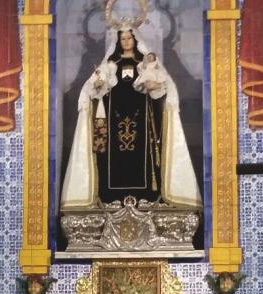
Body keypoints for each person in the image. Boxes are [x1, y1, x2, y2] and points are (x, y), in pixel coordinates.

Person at [61, 29, 201, 210]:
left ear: (135, 40)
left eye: (129, 38)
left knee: (142, 154)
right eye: (123, 39)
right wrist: (98, 84)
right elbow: (95, 87)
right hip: (114, 118)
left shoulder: (144, 64)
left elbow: (162, 87)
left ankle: (146, 197)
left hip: (141, 117)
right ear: (118, 41)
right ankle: (111, 197)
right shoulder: (111, 64)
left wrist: (155, 84)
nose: (126, 42)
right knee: (113, 156)